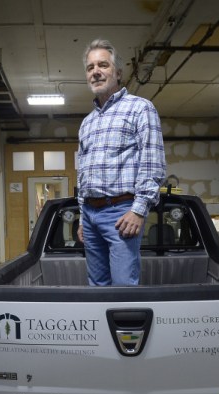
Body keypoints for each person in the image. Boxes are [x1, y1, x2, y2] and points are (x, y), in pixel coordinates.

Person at [76, 38, 166, 286]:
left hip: (121, 213)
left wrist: (138, 210)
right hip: (90, 214)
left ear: (117, 72)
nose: (96, 72)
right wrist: (83, 217)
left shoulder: (140, 109)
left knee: (124, 289)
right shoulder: (87, 123)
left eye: (102, 65)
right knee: (97, 287)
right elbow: (82, 174)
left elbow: (153, 164)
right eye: (90, 67)